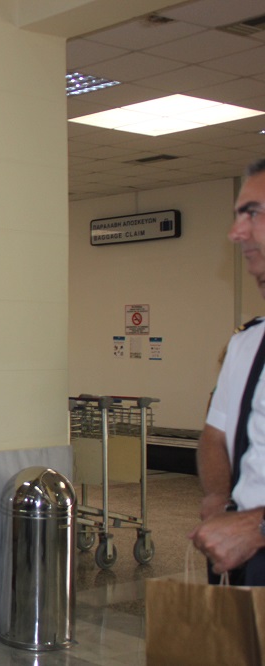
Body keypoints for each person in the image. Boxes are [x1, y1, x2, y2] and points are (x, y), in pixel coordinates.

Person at [191, 158, 265, 584]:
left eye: (252, 213)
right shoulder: (248, 345)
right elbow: (215, 436)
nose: (236, 233)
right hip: (246, 560)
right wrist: (220, 498)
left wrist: (257, 527)